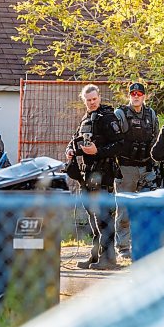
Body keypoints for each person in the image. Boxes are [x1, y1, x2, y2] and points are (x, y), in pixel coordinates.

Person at [65, 84, 123, 270]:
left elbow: (120, 145)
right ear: (84, 100)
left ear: (99, 97)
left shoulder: (108, 117)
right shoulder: (86, 118)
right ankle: (95, 255)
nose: (91, 102)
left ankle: (109, 258)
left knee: (103, 216)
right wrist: (70, 150)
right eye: (88, 100)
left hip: (103, 173)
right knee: (92, 216)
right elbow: (76, 139)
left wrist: (98, 151)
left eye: (94, 99)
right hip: (87, 174)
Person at [113, 82, 159, 259]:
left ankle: (145, 244)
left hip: (146, 167)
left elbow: (155, 137)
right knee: (124, 210)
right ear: (129, 96)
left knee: (147, 207)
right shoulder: (121, 113)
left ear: (144, 96)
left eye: (139, 93)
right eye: (133, 93)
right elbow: (114, 139)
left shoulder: (151, 114)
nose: (136, 95)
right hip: (126, 168)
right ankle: (123, 247)